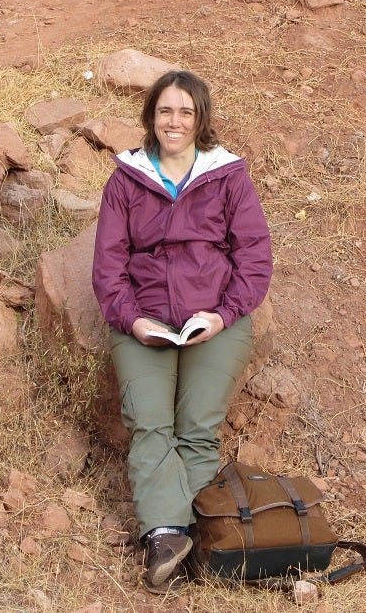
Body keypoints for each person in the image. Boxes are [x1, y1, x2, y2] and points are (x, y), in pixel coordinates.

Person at [92, 70, 273, 594]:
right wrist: (133, 320)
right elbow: (108, 268)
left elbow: (255, 259)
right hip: (143, 321)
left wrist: (222, 314)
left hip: (214, 322)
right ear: (151, 116)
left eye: (185, 112)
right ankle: (168, 536)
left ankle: (202, 537)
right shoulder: (126, 178)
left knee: (196, 426)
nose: (175, 122)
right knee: (150, 423)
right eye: (165, 111)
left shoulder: (228, 176)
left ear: (201, 119)